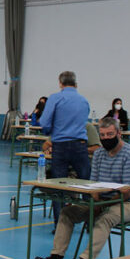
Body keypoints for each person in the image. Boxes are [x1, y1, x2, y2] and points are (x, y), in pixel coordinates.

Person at [33, 117, 130, 259]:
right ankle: (56, 258)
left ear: (119, 133)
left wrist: (104, 205)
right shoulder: (99, 153)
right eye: (103, 135)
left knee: (105, 218)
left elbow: (129, 191)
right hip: (103, 200)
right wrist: (97, 202)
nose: (106, 138)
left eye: (110, 134)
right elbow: (93, 185)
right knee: (67, 212)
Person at [39, 71, 91, 224]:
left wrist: (50, 131)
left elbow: (45, 123)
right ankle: (90, 222)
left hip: (60, 146)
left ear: (60, 83)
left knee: (58, 187)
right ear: (76, 84)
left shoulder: (55, 98)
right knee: (86, 185)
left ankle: (60, 225)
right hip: (80, 146)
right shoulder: (84, 101)